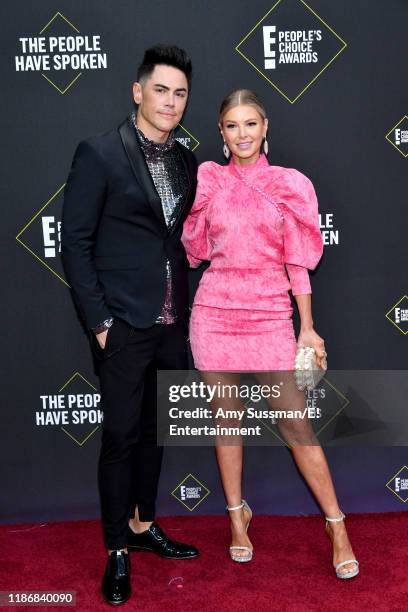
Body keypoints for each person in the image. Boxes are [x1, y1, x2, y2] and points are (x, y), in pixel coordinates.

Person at [182, 89, 359, 579]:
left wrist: (308, 328)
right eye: (232, 126)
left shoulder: (288, 185)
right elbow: (195, 250)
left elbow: (297, 262)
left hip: (269, 314)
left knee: (295, 424)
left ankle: (336, 524)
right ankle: (237, 516)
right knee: (226, 421)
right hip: (214, 313)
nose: (242, 134)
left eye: (251, 124)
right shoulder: (208, 181)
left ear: (266, 127)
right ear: (221, 133)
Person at [61, 45, 199, 606]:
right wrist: (99, 324)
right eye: (161, 89)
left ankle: (144, 526)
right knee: (120, 437)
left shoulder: (188, 159)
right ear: (137, 91)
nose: (170, 101)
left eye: (180, 93)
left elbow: (178, 239)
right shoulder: (98, 153)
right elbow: (75, 244)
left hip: (171, 322)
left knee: (154, 433)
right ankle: (117, 549)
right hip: (121, 323)